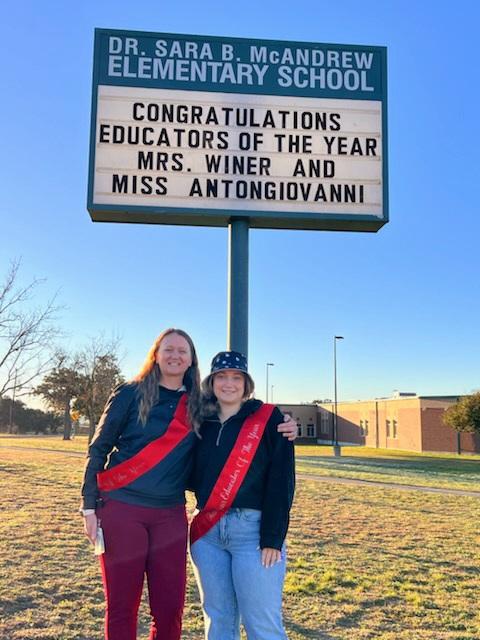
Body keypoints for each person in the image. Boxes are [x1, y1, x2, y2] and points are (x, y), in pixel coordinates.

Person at [80, 329, 297, 640]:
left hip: (172, 515)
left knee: (171, 608)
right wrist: (88, 505)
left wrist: (284, 424)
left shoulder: (199, 405)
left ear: (192, 359)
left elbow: (245, 420)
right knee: (125, 606)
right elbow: (98, 448)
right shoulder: (132, 394)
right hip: (124, 510)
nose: (175, 356)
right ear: (155, 354)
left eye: (182, 350)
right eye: (168, 349)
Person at [190, 351, 295, 640]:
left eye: (236, 377)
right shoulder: (199, 422)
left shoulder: (270, 419)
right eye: (221, 377)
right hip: (207, 535)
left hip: (254, 535)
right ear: (211, 383)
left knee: (262, 624)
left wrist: (273, 537)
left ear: (246, 384)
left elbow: (281, 481)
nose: (229, 383)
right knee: (218, 618)